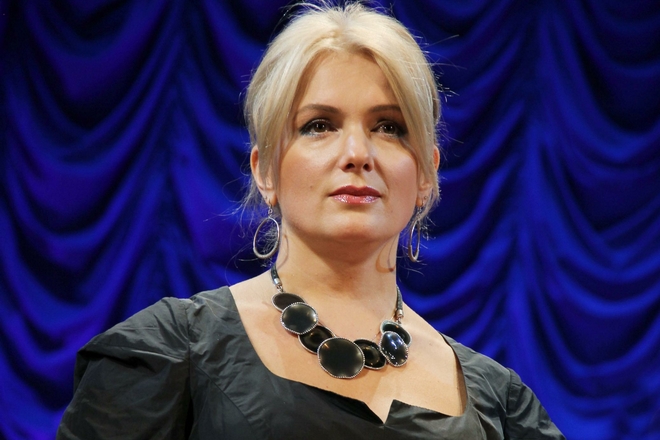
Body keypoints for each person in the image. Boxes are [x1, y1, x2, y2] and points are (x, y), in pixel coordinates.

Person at [57, 3, 565, 439]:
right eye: (319, 125)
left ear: (426, 174)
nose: (357, 153)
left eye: (389, 127)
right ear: (265, 171)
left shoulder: (499, 405)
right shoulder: (173, 352)